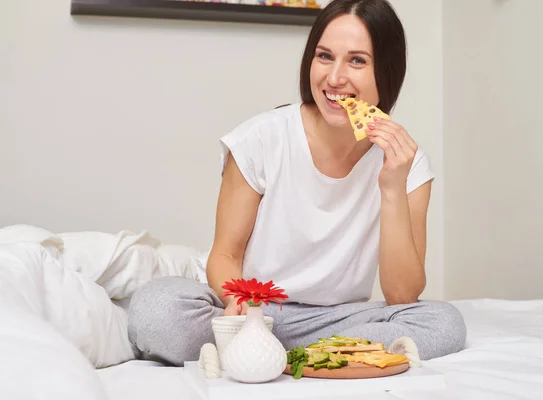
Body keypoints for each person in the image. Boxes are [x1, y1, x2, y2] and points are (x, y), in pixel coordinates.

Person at [127, 0, 466, 367]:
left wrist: (391, 187)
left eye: (357, 61)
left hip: (336, 319)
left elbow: (403, 294)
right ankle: (319, 357)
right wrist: (237, 302)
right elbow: (225, 255)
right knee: (156, 310)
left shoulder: (407, 163)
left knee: (442, 323)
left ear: (387, 72)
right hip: (256, 312)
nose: (335, 78)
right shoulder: (261, 138)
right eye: (324, 56)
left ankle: (273, 358)